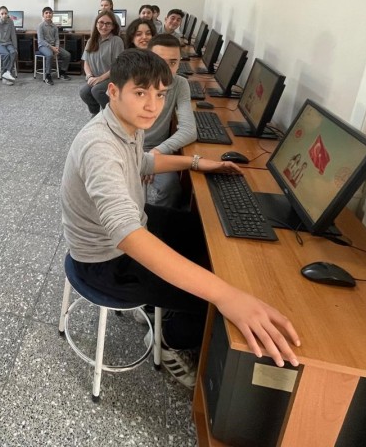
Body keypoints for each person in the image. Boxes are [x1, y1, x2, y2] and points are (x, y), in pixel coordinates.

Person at [61, 49, 300, 387]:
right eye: (140, 93)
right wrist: (225, 296)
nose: (152, 106)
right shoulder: (99, 146)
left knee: (205, 235)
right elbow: (128, 235)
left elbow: (143, 163)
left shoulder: (126, 124)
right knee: (211, 298)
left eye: (160, 94)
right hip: (105, 262)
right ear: (113, 91)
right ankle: (169, 341)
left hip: (129, 228)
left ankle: (178, 307)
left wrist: (196, 163)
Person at [145, 34, 198, 207]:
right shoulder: (131, 82)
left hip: (156, 149)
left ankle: (158, 221)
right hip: (127, 147)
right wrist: (143, 161)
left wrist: (156, 152)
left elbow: (189, 130)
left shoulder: (180, 84)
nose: (166, 70)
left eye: (173, 62)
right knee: (131, 196)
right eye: (160, 61)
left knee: (171, 188)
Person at [79, 9, 123, 114]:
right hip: (95, 77)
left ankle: (111, 114)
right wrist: (89, 76)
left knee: (97, 90)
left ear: (113, 26)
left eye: (108, 24)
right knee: (84, 92)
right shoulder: (91, 41)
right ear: (96, 24)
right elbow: (86, 62)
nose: (104, 26)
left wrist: (100, 78)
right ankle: (96, 114)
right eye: (101, 23)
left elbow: (118, 66)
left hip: (112, 77)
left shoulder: (116, 41)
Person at [36, 6, 72, 85]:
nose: (48, 14)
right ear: (43, 15)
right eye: (46, 13)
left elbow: (57, 39)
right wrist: (52, 48)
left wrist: (57, 48)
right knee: (49, 55)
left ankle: (62, 72)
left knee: (67, 55)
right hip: (43, 46)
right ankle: (48, 76)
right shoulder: (40, 26)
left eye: (50, 13)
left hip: (53, 46)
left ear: (52, 14)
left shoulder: (55, 26)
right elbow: (41, 40)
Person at [0, 5, 18, 85]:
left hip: (8, 43)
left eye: (5, 13)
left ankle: (8, 72)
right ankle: (4, 78)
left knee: (13, 52)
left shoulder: (10, 22)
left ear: (8, 14)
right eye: (2, 13)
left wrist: (15, 47)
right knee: (6, 54)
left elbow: (13, 35)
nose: (4, 15)